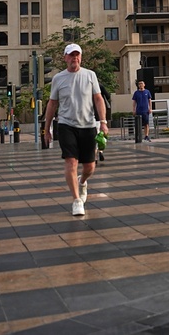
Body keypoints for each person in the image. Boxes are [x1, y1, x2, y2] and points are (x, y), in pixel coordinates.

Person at [44, 43, 109, 216]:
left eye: (77, 55)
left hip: (88, 125)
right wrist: (47, 128)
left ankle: (83, 181)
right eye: (71, 55)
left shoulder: (90, 75)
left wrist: (103, 121)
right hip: (66, 125)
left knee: (90, 166)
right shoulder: (58, 78)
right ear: (65, 58)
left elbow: (98, 99)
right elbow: (52, 104)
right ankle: (76, 200)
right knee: (71, 162)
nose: (75, 58)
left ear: (80, 57)